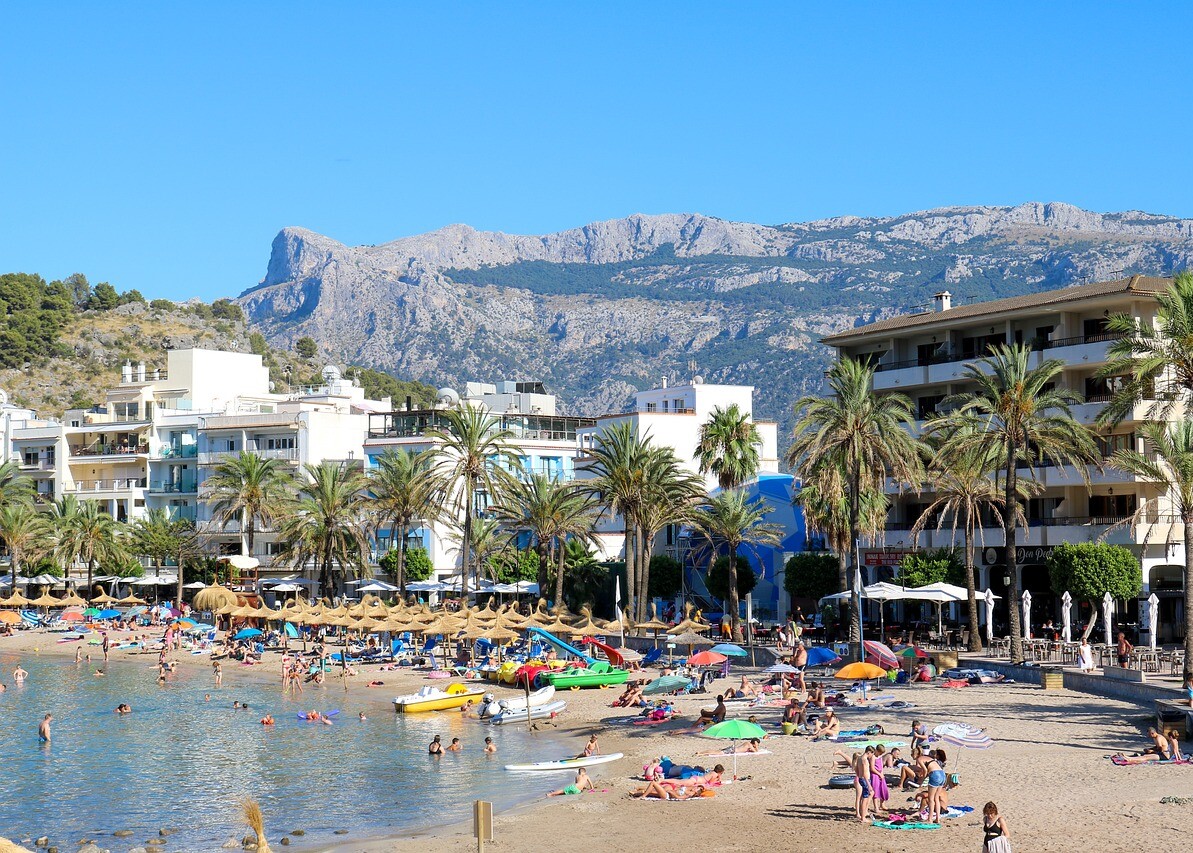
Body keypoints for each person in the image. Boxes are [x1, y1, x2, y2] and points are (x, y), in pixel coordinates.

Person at [923, 748, 947, 823]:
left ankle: (930, 819)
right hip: (942, 776)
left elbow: (926, 771)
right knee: (936, 798)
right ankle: (937, 818)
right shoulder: (939, 763)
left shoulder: (932, 761)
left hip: (936, 777)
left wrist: (921, 780)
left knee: (931, 799)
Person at [851, 747, 873, 822]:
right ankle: (863, 817)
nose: (871, 756)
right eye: (871, 754)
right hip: (865, 780)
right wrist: (868, 784)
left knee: (867, 796)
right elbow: (864, 773)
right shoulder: (864, 760)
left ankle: (863, 815)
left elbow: (856, 768)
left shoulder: (860, 758)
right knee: (865, 798)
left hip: (861, 779)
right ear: (869, 752)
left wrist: (858, 775)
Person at [871, 744, 890, 815]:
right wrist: (879, 774)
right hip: (874, 775)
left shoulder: (880, 756)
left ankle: (882, 804)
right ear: (877, 750)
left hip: (880, 774)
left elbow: (881, 766)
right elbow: (872, 768)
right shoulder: (873, 757)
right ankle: (876, 807)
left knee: (883, 789)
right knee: (875, 791)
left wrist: (882, 774)